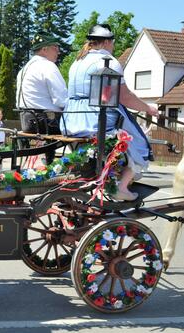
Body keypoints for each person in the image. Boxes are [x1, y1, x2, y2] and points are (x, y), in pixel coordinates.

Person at [62, 24, 159, 201]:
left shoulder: (77, 61)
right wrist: (148, 108)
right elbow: (125, 97)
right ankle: (121, 186)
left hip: (71, 118)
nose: (113, 46)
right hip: (95, 119)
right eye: (113, 42)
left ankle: (111, 176)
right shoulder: (108, 62)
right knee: (140, 141)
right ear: (106, 42)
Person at [15, 34, 68, 164]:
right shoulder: (48, 66)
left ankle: (49, 159)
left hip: (26, 120)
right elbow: (61, 99)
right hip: (46, 122)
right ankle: (82, 164)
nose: (58, 52)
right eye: (55, 48)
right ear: (44, 49)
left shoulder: (24, 69)